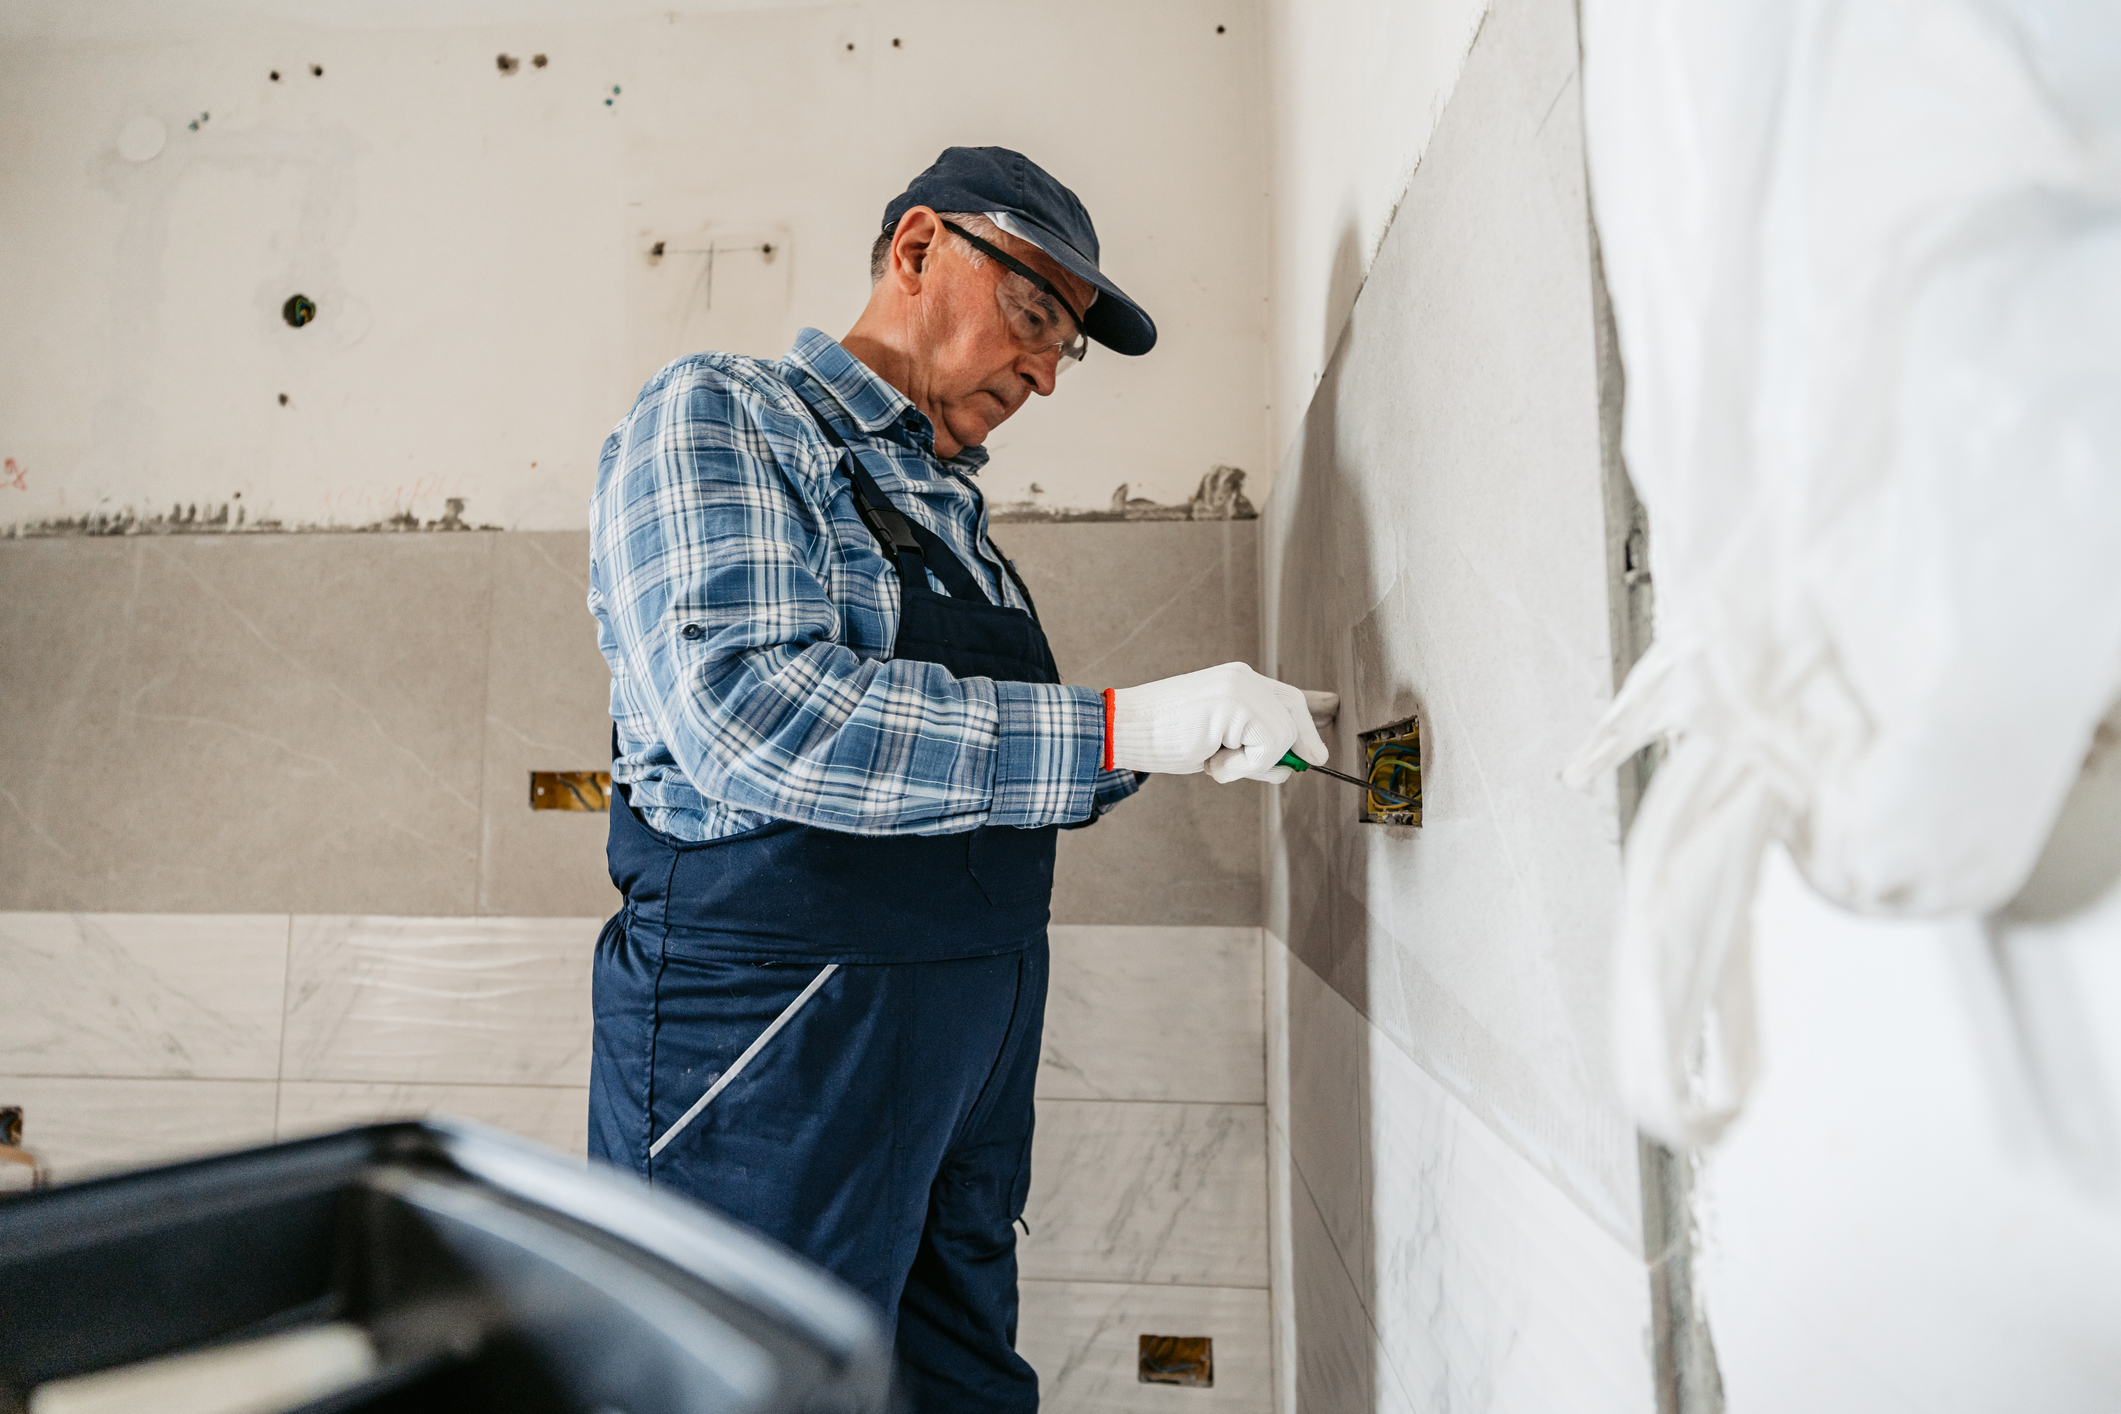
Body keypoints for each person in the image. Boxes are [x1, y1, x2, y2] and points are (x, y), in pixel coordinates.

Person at [585, 146, 1328, 1411]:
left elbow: (993, 762)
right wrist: (1116, 728)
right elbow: (749, 714)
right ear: (919, 248)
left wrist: (1188, 736)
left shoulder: (947, 508)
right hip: (770, 1042)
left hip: (967, 1040)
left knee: (957, 1386)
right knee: (749, 1390)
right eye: (1036, 313)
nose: (1045, 370)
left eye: (1064, 345)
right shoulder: (723, 412)